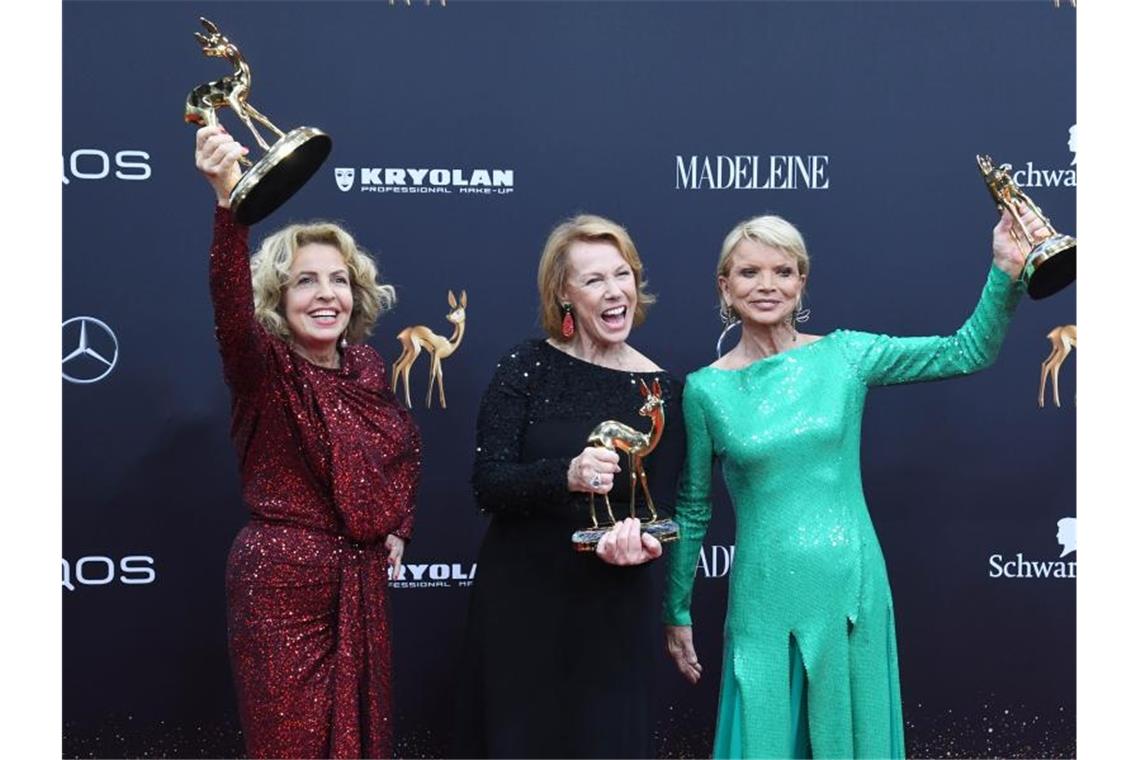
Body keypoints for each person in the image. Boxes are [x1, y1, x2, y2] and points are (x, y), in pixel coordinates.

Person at [663, 208, 1044, 758]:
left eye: (783, 271)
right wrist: (677, 608)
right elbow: (694, 508)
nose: (767, 285)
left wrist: (1004, 271)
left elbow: (967, 351)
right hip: (763, 597)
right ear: (724, 286)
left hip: (851, 588)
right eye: (749, 273)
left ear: (802, 282)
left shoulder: (846, 355)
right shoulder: (704, 391)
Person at [195, 125, 421, 759]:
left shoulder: (369, 368)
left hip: (359, 581)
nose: (326, 294)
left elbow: (402, 449)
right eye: (305, 281)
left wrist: (397, 521)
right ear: (277, 296)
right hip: (279, 586)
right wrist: (227, 206)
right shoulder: (260, 366)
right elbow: (228, 305)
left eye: (338, 280)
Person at [454, 214, 687, 758]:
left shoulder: (663, 392)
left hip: (613, 610)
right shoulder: (524, 368)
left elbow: (667, 510)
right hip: (521, 606)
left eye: (622, 274)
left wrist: (643, 546)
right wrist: (566, 473)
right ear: (564, 293)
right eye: (594, 280)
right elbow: (488, 484)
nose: (614, 291)